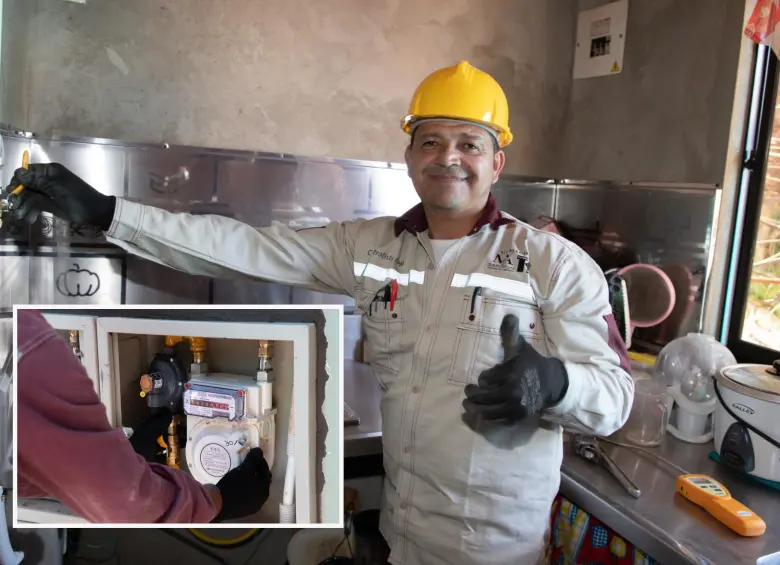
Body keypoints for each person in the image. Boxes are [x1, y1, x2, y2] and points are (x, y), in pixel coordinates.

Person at [5, 61, 633, 563]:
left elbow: (613, 398)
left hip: (498, 551)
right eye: (432, 140)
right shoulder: (370, 247)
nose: (450, 157)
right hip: (403, 534)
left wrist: (556, 382)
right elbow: (244, 247)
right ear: (410, 155)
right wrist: (107, 213)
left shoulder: (551, 263)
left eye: (471, 143)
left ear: (497, 161)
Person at [16, 308, 272, 524]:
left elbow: (26, 470)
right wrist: (218, 500)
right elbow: (122, 500)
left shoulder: (23, 343)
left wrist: (114, 459)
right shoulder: (30, 344)